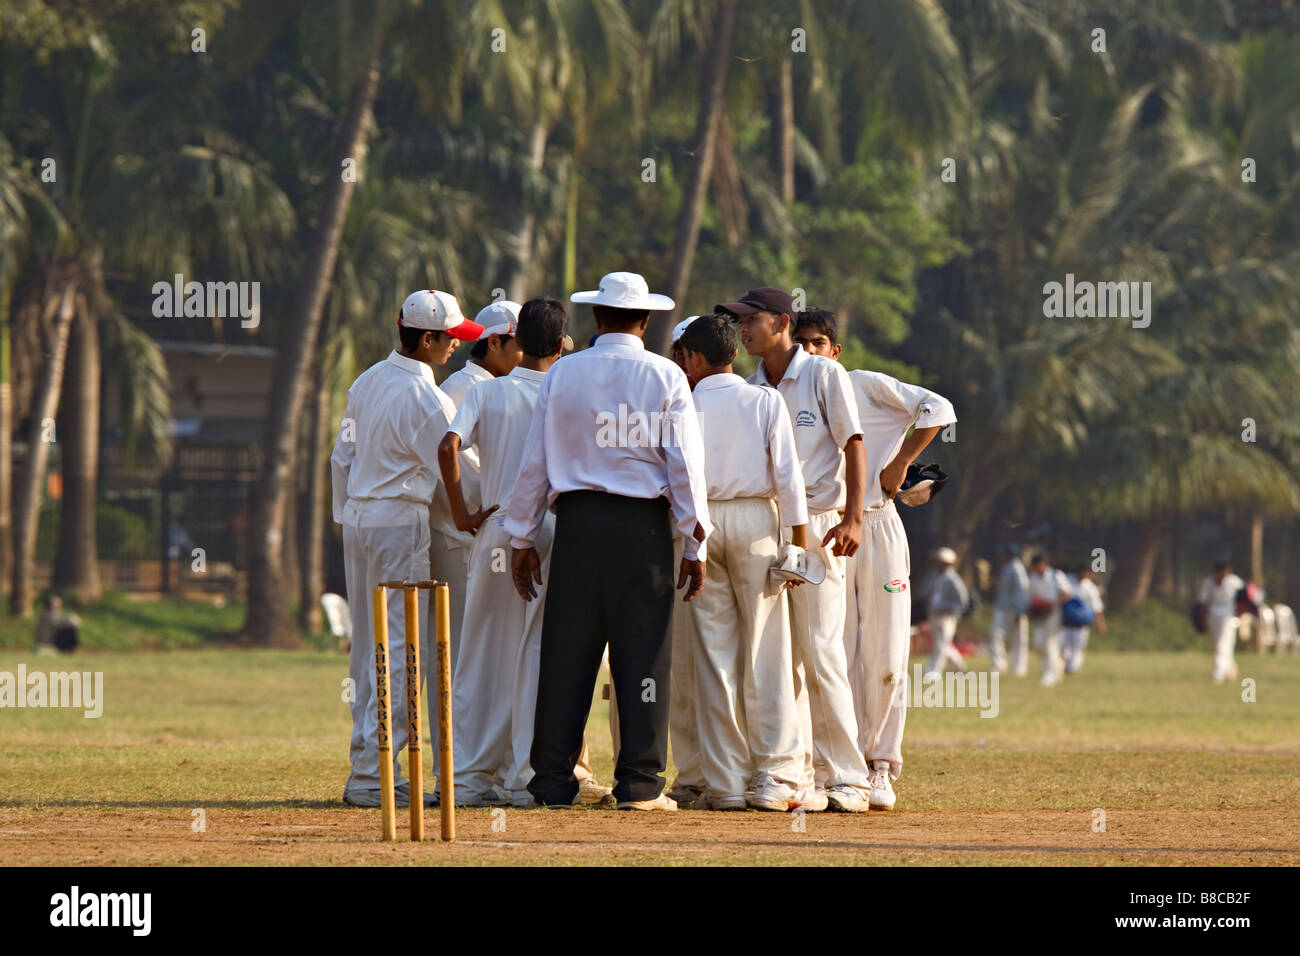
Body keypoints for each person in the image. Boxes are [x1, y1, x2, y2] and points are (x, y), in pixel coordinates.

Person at [503, 271, 711, 811]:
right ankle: (640, 782)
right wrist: (695, 542)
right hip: (642, 528)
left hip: (577, 525)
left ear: (597, 317)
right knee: (643, 655)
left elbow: (536, 461)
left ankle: (551, 779)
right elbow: (685, 466)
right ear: (645, 320)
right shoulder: (666, 376)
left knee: (567, 653)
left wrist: (521, 535)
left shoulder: (563, 374)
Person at [437, 298, 612, 808]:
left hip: (494, 526)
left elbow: (448, 447)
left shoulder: (487, 391)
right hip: (554, 528)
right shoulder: (569, 393)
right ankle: (525, 775)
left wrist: (460, 515)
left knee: (482, 649)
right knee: (540, 652)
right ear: (560, 346)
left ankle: (469, 778)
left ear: (514, 340)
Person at [794, 306, 956, 811]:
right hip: (825, 529)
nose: (808, 352)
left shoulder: (863, 384)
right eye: (800, 343)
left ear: (834, 351)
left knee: (885, 651)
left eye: (817, 343)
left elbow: (939, 407)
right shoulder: (787, 393)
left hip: (877, 522)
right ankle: (834, 766)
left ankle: (880, 765)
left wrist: (902, 462)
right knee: (832, 649)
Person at [330, 288, 483, 809]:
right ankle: (374, 775)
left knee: (366, 647)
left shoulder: (366, 381)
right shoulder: (428, 398)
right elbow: (450, 466)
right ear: (426, 338)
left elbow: (340, 459)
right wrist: (471, 515)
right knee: (400, 649)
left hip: (359, 518)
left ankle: (368, 767)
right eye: (449, 340)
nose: (455, 349)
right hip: (398, 521)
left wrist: (348, 515)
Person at [724, 287, 872, 812]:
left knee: (821, 650)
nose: (742, 330)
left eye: (751, 320)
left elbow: (854, 443)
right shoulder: (750, 383)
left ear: (781, 322)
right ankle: (800, 777)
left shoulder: (822, 372)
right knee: (778, 657)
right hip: (769, 527)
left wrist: (854, 516)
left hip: (822, 523)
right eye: (738, 322)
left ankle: (850, 777)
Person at [676, 314, 810, 811]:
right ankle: (775, 777)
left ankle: (726, 783)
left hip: (699, 523)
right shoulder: (764, 399)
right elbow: (789, 476)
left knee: (713, 658)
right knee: (766, 650)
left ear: (692, 358)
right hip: (757, 521)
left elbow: (677, 473)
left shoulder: (683, 404)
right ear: (734, 353)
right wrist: (797, 544)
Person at [663, 312, 706, 805]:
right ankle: (681, 772)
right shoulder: (664, 395)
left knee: (706, 661)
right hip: (668, 537)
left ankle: (701, 773)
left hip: (704, 538)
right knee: (663, 661)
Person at [438, 301, 523, 406]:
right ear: (494, 342)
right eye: (523, 345)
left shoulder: (483, 386)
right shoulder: (466, 390)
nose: (528, 355)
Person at [1027, 552, 1073, 687]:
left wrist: (1052, 603)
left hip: (1053, 614)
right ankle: (1058, 664)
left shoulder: (1055, 576)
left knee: (1050, 644)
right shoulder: (1033, 578)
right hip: (1039, 614)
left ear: (1044, 564)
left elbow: (1067, 594)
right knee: (1038, 644)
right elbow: (1031, 596)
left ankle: (1049, 674)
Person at [925, 548, 969, 677]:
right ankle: (959, 666)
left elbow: (962, 600)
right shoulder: (934, 577)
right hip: (934, 614)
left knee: (941, 644)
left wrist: (947, 608)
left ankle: (933, 672)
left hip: (947, 616)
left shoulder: (953, 580)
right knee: (940, 644)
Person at [1199, 560, 1244, 682]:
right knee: (1217, 643)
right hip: (1213, 614)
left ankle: (1219, 672)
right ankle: (1230, 667)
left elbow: (1245, 596)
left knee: (1223, 643)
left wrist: (1242, 612)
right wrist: (1203, 619)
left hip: (1229, 615)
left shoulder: (1233, 581)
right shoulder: (1209, 582)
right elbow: (1203, 601)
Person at [990, 543, 1030, 676]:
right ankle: (999, 664)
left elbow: (1022, 592)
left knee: (1019, 638)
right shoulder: (1007, 568)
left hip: (1015, 609)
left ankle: (1019, 667)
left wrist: (1020, 611)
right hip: (1002, 607)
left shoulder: (1017, 569)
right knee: (996, 635)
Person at [1062, 566, 1106, 674]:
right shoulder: (1067, 581)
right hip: (1065, 621)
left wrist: (1101, 624)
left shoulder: (1090, 588)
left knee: (1078, 647)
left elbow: (1097, 607)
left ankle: (1072, 669)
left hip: (1081, 623)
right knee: (1063, 646)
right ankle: (1063, 665)